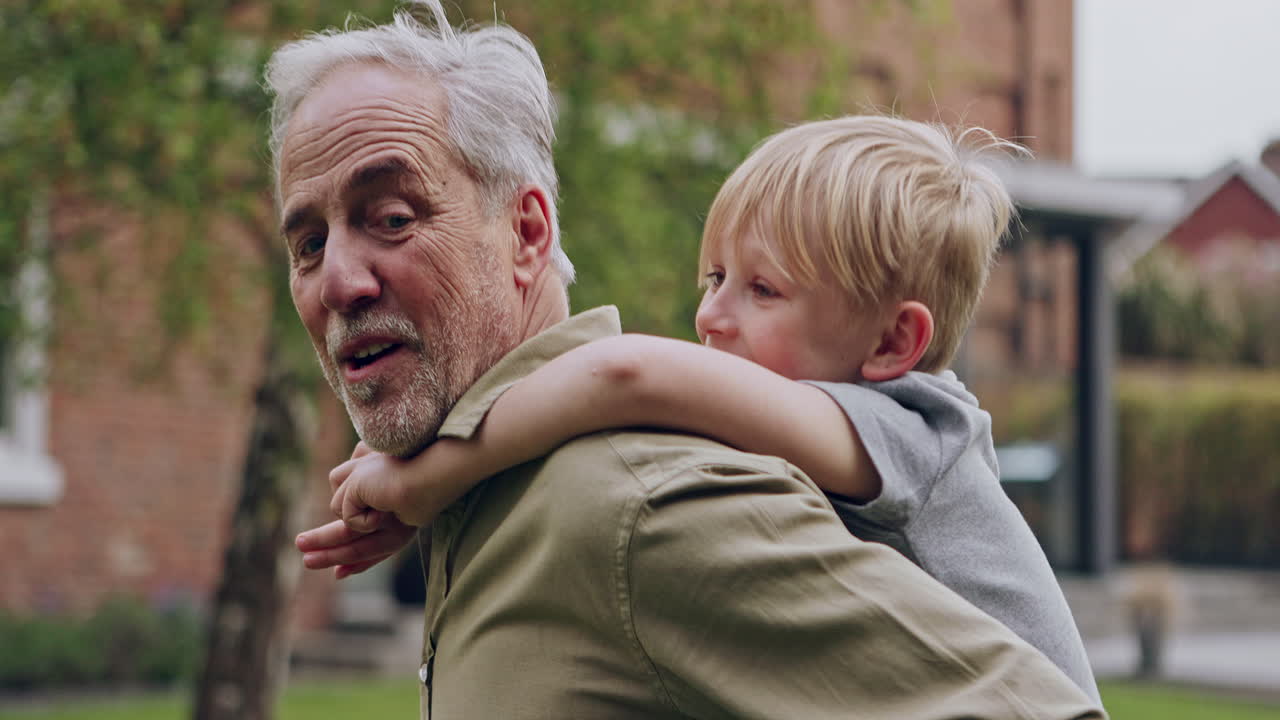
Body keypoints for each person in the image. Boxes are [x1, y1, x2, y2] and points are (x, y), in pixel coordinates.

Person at [273, 2, 1106, 718]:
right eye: (308, 243)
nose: (339, 280)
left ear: (528, 233)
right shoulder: (542, 506)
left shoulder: (639, 507)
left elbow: (625, 373)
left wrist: (430, 477)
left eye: (390, 217)